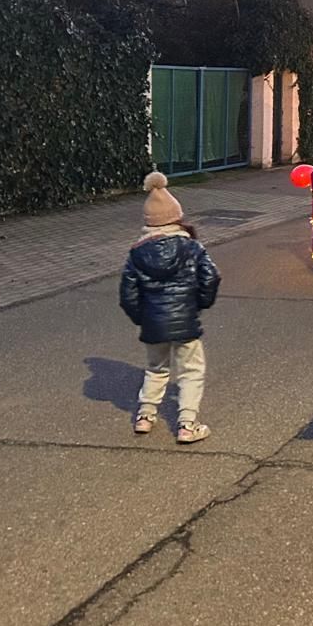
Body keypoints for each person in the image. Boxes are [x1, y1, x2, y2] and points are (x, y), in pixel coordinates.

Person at [119, 171, 222, 445]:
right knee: (191, 371)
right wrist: (200, 303)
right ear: (177, 216)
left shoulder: (136, 253)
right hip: (186, 323)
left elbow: (127, 294)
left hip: (153, 324)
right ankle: (188, 423)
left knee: (156, 368)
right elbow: (211, 277)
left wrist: (142, 317)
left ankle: (145, 415)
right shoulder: (192, 247)